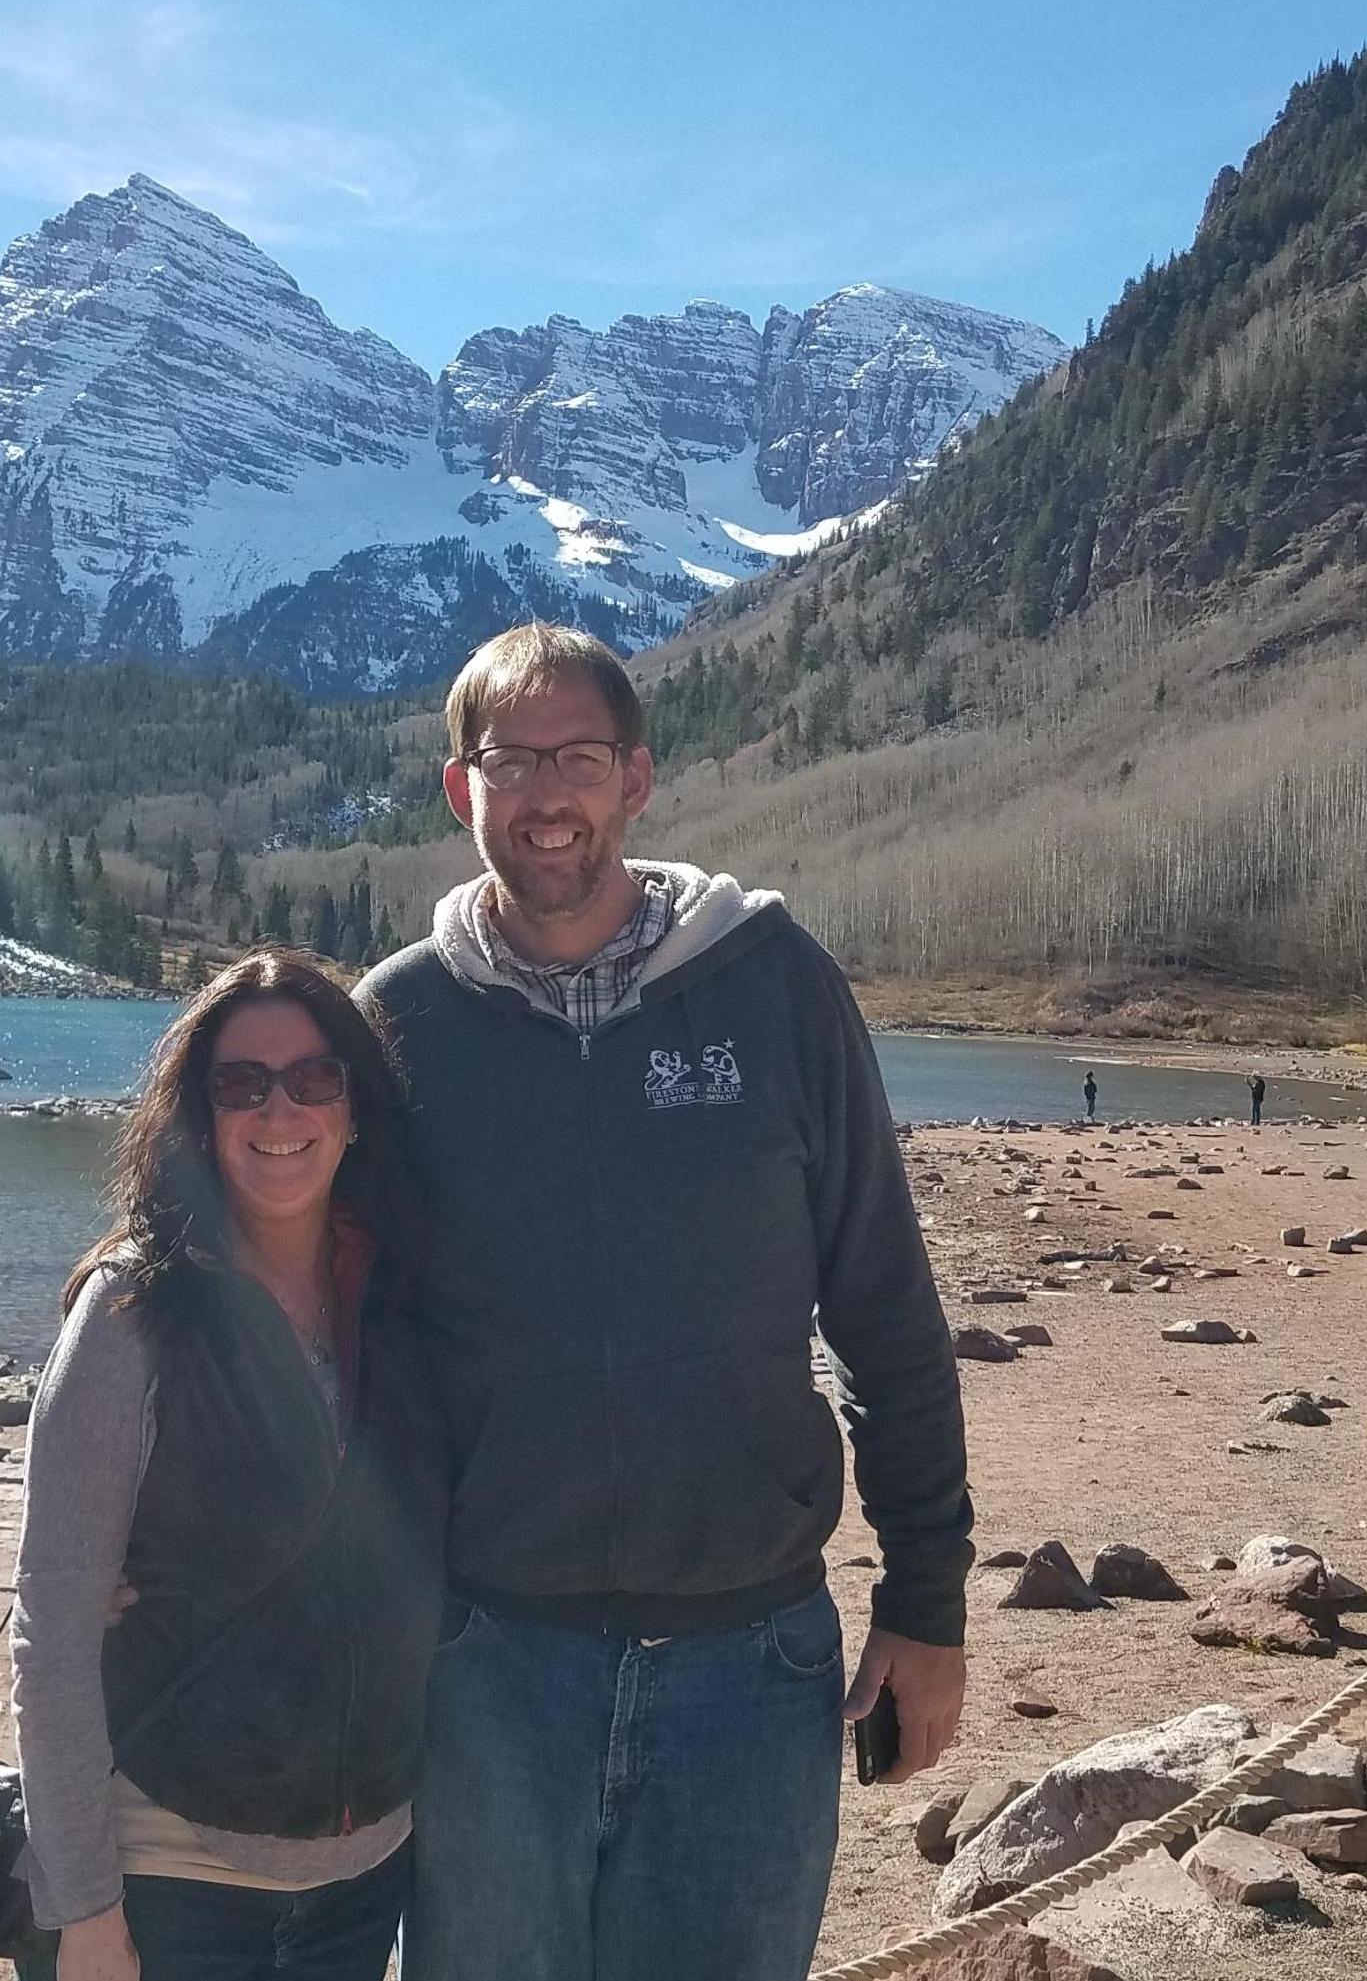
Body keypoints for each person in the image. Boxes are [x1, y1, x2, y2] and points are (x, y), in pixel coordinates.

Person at [357, 623, 974, 1981]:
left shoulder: (773, 985)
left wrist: (927, 1600)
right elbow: (328, 1336)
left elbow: (882, 1308)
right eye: (509, 762)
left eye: (577, 756)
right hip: (485, 1671)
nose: (545, 795)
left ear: (637, 779)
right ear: (461, 791)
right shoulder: (399, 1025)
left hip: (749, 1666)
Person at [9, 952, 445, 1981]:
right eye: (240, 1082)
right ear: (198, 1115)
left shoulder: (406, 1297)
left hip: (361, 1878)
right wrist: (83, 1911)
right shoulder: (134, 1312)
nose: (277, 1106)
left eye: (312, 1077)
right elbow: (53, 1635)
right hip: (169, 1876)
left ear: (354, 1105)